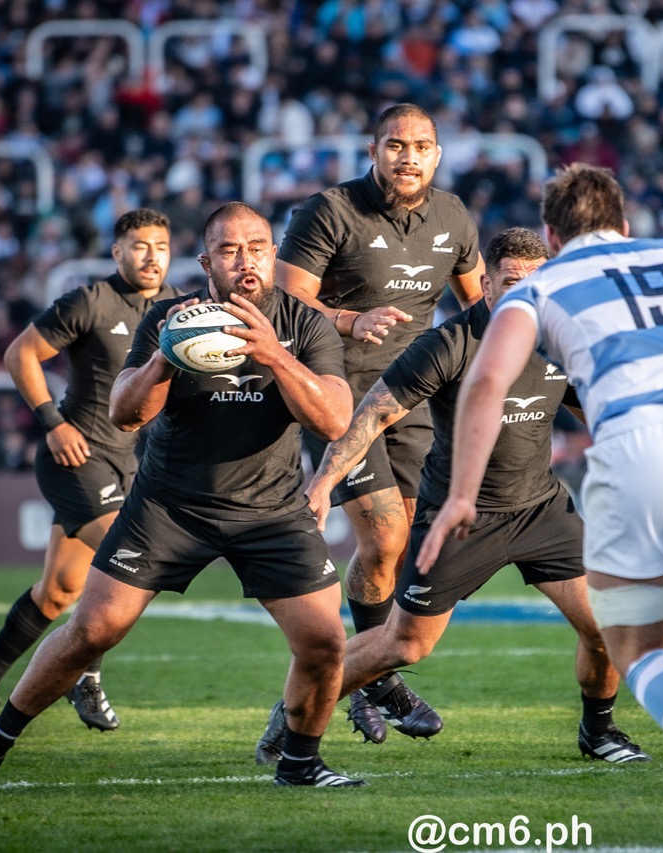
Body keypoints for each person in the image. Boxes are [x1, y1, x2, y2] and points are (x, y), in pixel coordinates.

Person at [418, 165, 663, 847]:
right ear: (624, 224)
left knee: (635, 646)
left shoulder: (539, 283)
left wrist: (460, 494)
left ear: (550, 234)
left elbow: (486, 379)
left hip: (634, 448)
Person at [0, 202, 363, 794]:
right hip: (169, 505)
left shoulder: (304, 323)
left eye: (257, 247)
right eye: (230, 250)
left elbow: (336, 419)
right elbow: (125, 414)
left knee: (324, 641)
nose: (246, 261)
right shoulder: (169, 317)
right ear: (207, 261)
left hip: (270, 509)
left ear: (273, 255)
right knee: (93, 629)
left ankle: (300, 765)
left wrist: (273, 353)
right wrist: (166, 354)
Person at [256, 227, 648, 764]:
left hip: (540, 509)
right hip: (459, 517)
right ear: (486, 284)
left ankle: (598, 732)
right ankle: (294, 707)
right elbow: (372, 415)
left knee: (607, 625)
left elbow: (599, 409)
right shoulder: (448, 343)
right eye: (511, 282)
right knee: (405, 645)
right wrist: (322, 483)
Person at [275, 102, 483, 743]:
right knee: (387, 537)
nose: (408, 156)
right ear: (373, 150)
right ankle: (377, 683)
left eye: (421, 145)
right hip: (339, 393)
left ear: (438, 154)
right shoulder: (329, 210)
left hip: (415, 398)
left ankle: (361, 683)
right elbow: (282, 301)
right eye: (396, 144)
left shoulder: (454, 217)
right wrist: (348, 321)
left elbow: (484, 307)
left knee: (399, 548)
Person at [0, 208, 180, 735]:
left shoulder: (174, 312)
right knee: (128, 559)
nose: (151, 255)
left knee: (59, 591)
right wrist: (52, 422)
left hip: (130, 465)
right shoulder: (90, 301)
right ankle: (87, 675)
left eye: (161, 246)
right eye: (139, 245)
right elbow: (20, 353)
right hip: (74, 457)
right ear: (117, 252)